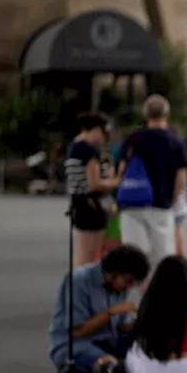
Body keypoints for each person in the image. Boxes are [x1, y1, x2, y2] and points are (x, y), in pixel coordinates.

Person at [48, 245, 151, 373]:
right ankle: (112, 370)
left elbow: (119, 328)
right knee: (107, 363)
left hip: (109, 341)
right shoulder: (78, 280)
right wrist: (110, 312)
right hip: (75, 345)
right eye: (128, 281)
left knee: (151, 340)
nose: (129, 287)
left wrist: (136, 324)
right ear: (112, 273)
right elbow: (77, 331)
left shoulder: (119, 286)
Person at [118, 95, 187, 271]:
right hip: (160, 204)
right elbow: (181, 176)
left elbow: (121, 170)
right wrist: (174, 199)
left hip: (132, 203)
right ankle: (157, 294)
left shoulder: (134, 138)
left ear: (145, 114)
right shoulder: (175, 141)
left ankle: (140, 292)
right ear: (167, 114)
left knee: (135, 257)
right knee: (162, 256)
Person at [66, 112, 117, 267]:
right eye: (103, 133)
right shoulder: (88, 151)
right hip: (91, 206)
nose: (104, 138)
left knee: (82, 255)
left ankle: (77, 288)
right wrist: (116, 182)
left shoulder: (74, 147)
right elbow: (94, 183)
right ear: (94, 129)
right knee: (90, 256)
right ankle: (82, 289)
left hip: (78, 203)